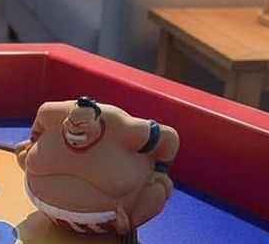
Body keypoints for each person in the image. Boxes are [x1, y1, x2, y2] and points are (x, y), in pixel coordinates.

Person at [15, 96, 179, 234]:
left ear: (97, 123)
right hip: (45, 211)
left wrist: (161, 169)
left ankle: (131, 221)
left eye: (81, 127)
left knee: (158, 189)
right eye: (71, 124)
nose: (74, 131)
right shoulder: (51, 113)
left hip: (110, 222)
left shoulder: (125, 129)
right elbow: (39, 121)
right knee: (22, 151)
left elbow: (170, 137)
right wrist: (34, 140)